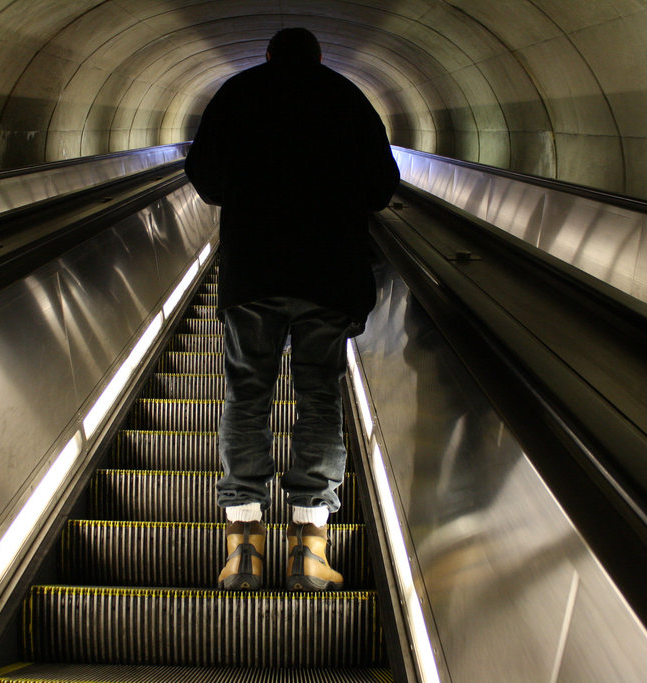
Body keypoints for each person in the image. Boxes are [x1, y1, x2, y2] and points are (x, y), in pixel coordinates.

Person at [185, 27, 399, 591]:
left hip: (253, 270)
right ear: (320, 57)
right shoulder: (348, 97)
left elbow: (204, 179)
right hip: (328, 274)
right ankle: (309, 547)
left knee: (247, 392)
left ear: (269, 54)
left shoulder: (237, 92)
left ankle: (243, 549)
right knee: (320, 393)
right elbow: (382, 186)